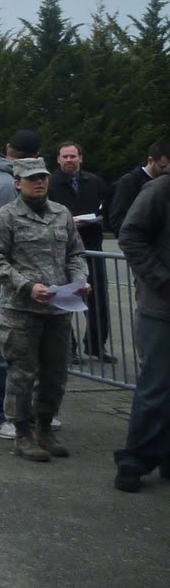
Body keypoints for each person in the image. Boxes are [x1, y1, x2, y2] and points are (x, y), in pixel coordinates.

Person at [0, 157, 87, 462]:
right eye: (32, 178)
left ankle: (44, 428)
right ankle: (22, 433)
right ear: (18, 182)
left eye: (42, 177)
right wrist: (27, 286)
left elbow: (75, 252)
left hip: (58, 308)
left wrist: (80, 279)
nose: (39, 182)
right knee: (22, 374)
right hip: (20, 310)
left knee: (55, 374)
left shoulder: (61, 213)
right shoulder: (7, 216)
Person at [0, 129, 42, 438]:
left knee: (18, 350)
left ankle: (22, 411)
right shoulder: (5, 186)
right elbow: (5, 239)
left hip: (3, 278)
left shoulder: (1, 178)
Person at [114, 172, 170, 491]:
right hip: (162, 309)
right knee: (156, 386)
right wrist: (162, 280)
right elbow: (130, 236)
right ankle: (134, 459)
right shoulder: (161, 189)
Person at [48, 141, 114, 363]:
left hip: (92, 246)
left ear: (80, 158)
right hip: (62, 249)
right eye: (65, 157)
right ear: (58, 159)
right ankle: (69, 348)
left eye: (73, 156)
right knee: (63, 299)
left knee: (98, 299)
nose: (69, 160)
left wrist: (100, 219)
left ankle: (96, 346)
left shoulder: (94, 182)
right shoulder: (50, 184)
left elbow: (107, 208)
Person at [110, 142, 169, 234]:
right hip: (140, 241)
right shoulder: (129, 182)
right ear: (150, 161)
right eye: (162, 167)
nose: (166, 171)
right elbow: (117, 219)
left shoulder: (165, 181)